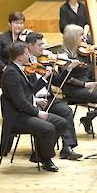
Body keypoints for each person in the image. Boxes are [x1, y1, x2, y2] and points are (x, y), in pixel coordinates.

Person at [0, 41, 68, 172]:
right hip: (18, 118)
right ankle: (46, 159)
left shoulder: (19, 69)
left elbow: (29, 91)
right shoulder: (11, 74)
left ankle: (40, 154)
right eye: (26, 53)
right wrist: (37, 112)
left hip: (26, 113)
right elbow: (20, 102)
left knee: (61, 123)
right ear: (19, 57)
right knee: (48, 128)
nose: (29, 56)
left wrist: (44, 78)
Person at [25, 32, 82, 160]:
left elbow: (57, 82)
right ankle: (43, 151)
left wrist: (68, 69)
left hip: (48, 98)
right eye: (40, 45)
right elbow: (27, 89)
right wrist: (36, 98)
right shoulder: (24, 64)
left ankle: (67, 147)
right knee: (51, 121)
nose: (43, 47)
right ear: (29, 46)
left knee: (66, 110)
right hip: (32, 102)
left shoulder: (45, 61)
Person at [59, 24, 97, 134]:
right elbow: (67, 78)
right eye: (81, 35)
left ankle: (89, 117)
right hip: (73, 88)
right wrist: (85, 85)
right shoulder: (63, 54)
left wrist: (94, 59)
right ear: (72, 37)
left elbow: (87, 71)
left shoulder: (82, 51)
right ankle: (94, 120)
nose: (84, 37)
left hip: (86, 83)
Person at [0, 11, 26, 86]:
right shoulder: (1, 38)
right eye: (16, 23)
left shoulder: (22, 40)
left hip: (20, 73)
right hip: (4, 74)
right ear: (9, 24)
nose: (19, 26)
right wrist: (6, 69)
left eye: (21, 23)